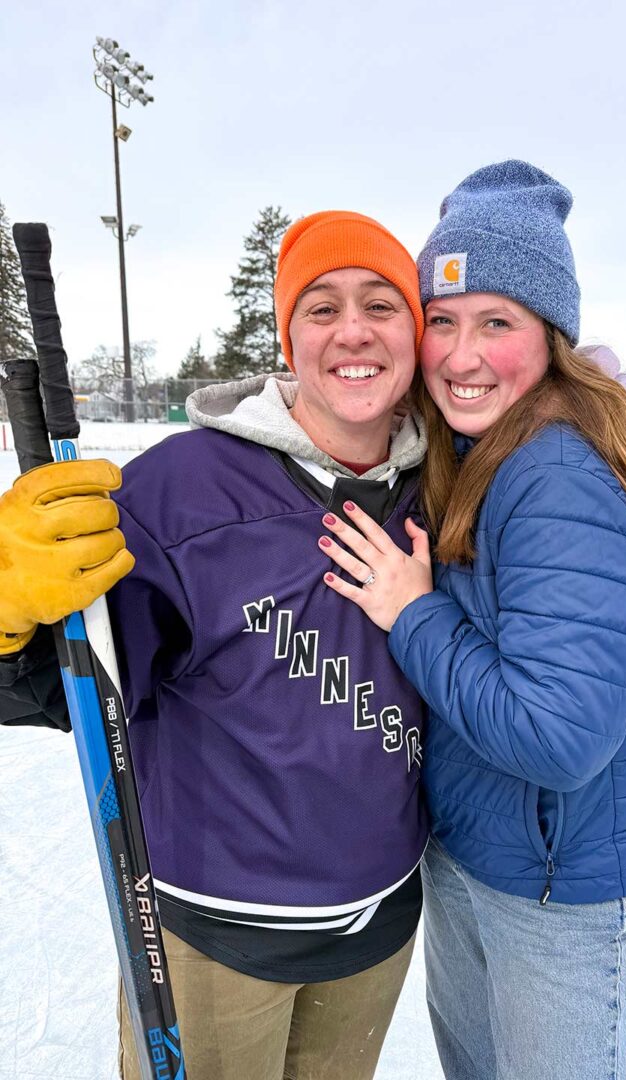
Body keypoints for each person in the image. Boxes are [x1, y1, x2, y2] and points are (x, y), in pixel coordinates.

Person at [0, 210, 430, 1080]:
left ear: (416, 332)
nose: (354, 330)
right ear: (288, 338)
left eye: (382, 304)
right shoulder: (179, 489)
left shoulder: (448, 485)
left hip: (379, 926)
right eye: (321, 307)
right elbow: (66, 692)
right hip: (213, 940)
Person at [316, 160, 626, 1079]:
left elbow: (559, 735)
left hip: (560, 898)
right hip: (481, 858)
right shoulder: (478, 449)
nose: (460, 354)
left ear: (552, 335)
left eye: (497, 323)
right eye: (440, 321)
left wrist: (415, 613)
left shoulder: (560, 474)